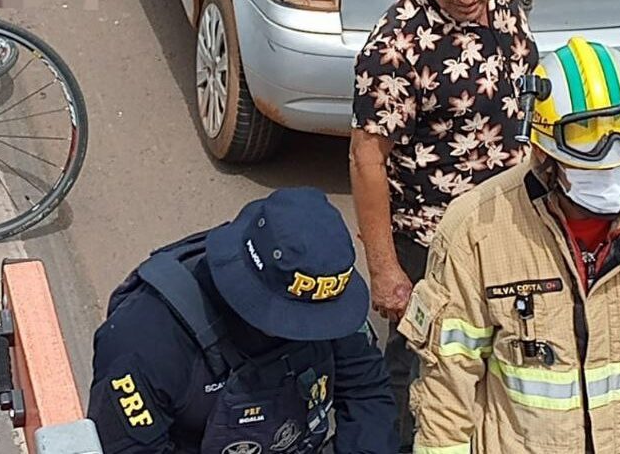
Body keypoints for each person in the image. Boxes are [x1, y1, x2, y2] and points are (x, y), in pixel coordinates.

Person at [401, 37, 620, 454]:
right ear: (541, 150)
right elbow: (447, 393)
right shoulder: (476, 232)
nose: (610, 168)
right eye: (588, 154)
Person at [347, 0, 535, 451]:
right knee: (420, 366)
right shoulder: (395, 49)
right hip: (433, 243)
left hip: (509, 223)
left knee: (501, 351)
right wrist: (384, 270)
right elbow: (366, 158)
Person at [86, 187, 397, 454]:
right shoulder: (144, 342)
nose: (308, 332)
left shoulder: (323, 296)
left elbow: (366, 391)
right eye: (297, 321)